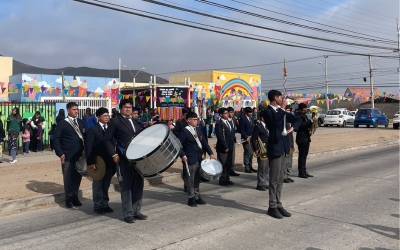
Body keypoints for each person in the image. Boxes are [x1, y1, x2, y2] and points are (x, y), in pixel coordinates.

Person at [104, 99, 147, 223]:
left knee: (138, 185)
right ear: (121, 108)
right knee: (126, 187)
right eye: (125, 107)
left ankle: (136, 211)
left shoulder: (136, 122)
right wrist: (114, 154)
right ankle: (128, 214)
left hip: (138, 159)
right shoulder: (115, 122)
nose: (128, 109)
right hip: (124, 158)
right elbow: (107, 140)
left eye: (129, 107)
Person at [262, 90, 300, 219]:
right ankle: (272, 206)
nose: (282, 99)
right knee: (273, 179)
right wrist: (283, 109)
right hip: (275, 148)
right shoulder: (268, 112)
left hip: (283, 148)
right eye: (280, 97)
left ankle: (278, 203)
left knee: (280, 179)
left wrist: (293, 127)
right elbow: (273, 124)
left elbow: (296, 119)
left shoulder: (281, 112)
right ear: (275, 98)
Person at [178, 112, 215, 207]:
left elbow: (204, 143)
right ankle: (191, 198)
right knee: (190, 179)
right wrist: (183, 155)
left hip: (199, 157)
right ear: (188, 120)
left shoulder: (198, 129)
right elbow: (178, 145)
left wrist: (210, 152)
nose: (196, 121)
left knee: (197, 178)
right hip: (190, 158)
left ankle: (197, 196)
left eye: (197, 119)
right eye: (194, 120)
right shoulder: (184, 131)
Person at [53, 102, 86, 208]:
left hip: (79, 156)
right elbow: (56, 139)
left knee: (77, 177)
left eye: (77, 109)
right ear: (68, 110)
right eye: (73, 109)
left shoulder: (80, 122)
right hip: (67, 156)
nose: (76, 111)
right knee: (68, 178)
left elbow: (85, 136)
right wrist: (60, 153)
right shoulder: (63, 123)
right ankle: (68, 198)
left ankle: (75, 197)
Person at [85, 107, 116, 214]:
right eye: (104, 116)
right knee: (98, 184)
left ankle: (105, 204)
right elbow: (88, 147)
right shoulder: (93, 130)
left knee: (106, 184)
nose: (107, 117)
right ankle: (97, 205)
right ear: (98, 117)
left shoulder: (111, 128)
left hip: (109, 161)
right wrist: (90, 162)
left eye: (108, 115)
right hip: (98, 161)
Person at [172, 107, 190, 192]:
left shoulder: (194, 122)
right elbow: (175, 134)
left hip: (193, 148)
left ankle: (193, 184)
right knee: (186, 167)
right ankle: (186, 184)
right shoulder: (180, 123)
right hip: (184, 148)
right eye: (186, 114)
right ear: (184, 115)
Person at [215, 108, 235, 186]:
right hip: (223, 147)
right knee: (222, 163)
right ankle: (222, 179)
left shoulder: (229, 122)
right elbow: (220, 136)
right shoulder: (219, 124)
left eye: (227, 113)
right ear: (221, 115)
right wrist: (225, 146)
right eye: (225, 113)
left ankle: (227, 178)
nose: (227, 114)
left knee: (228, 163)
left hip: (230, 146)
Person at [295, 103, 314, 179]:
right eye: (303, 110)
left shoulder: (305, 116)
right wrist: (310, 122)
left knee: (305, 155)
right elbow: (300, 126)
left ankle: (304, 170)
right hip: (301, 138)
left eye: (305, 110)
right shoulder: (297, 116)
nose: (305, 111)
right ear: (299, 110)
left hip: (306, 138)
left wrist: (313, 124)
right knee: (302, 155)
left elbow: (307, 125)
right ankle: (301, 172)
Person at [251, 115, 269, 191]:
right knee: (262, 167)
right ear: (262, 118)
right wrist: (256, 149)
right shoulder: (258, 126)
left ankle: (264, 182)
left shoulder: (268, 126)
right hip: (261, 149)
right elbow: (253, 138)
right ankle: (260, 184)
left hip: (268, 149)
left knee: (266, 167)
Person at [239, 107, 256, 173]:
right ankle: (247, 167)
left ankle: (250, 166)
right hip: (246, 139)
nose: (250, 113)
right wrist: (246, 137)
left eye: (251, 112)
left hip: (252, 138)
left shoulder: (251, 119)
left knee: (251, 153)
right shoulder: (243, 119)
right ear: (245, 112)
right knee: (247, 152)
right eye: (249, 112)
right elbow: (241, 129)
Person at [284, 105, 295, 183]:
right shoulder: (283, 120)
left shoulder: (291, 121)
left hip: (290, 142)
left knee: (290, 161)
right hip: (285, 143)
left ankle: (288, 175)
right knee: (285, 161)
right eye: (287, 110)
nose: (288, 112)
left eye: (289, 110)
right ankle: (284, 176)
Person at [227, 107, 240, 177]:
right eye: (230, 112)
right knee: (227, 157)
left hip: (232, 140)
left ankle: (231, 169)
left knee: (232, 156)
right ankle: (227, 171)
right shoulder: (225, 121)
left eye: (233, 112)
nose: (232, 114)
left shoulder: (233, 120)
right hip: (227, 141)